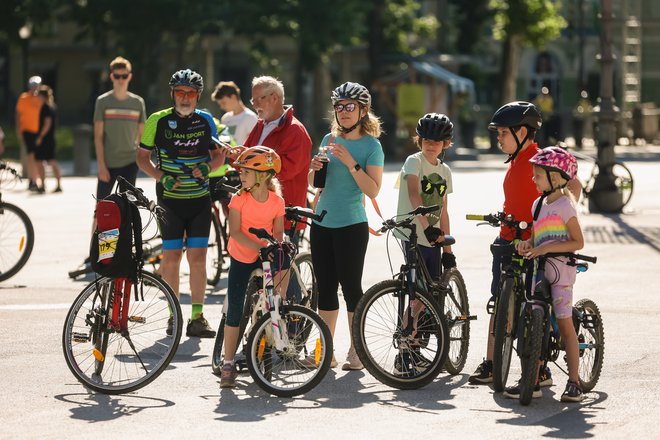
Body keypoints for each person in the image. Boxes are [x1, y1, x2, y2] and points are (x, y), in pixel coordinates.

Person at [468, 101, 581, 387]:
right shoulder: (517, 160)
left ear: (521, 131)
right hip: (509, 240)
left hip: (535, 245)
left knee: (533, 306)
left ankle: (538, 369)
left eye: (503, 133)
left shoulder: (541, 157)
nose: (499, 138)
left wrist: (555, 220)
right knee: (500, 302)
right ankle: (493, 363)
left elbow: (573, 186)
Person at [137, 69, 226, 338]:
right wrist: (160, 176)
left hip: (199, 201)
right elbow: (142, 158)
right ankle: (173, 314)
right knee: (172, 257)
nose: (184, 98)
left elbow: (219, 157)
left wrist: (207, 167)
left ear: (198, 96)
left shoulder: (206, 120)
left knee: (197, 258)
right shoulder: (158, 120)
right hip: (170, 203)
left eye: (190, 93)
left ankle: (197, 317)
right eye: (180, 92)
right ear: (172, 94)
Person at [307, 82, 385, 370]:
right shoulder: (329, 137)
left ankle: (357, 351)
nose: (344, 112)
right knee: (325, 288)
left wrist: (352, 163)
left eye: (350, 106)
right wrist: (313, 169)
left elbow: (373, 190)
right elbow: (315, 185)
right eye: (340, 107)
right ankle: (326, 351)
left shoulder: (371, 146)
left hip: (351, 224)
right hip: (322, 222)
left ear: (363, 111)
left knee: (351, 287)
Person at [504, 146, 585, 402]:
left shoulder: (565, 206)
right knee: (532, 320)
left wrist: (548, 248)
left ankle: (575, 382)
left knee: (564, 324)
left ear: (555, 177)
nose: (533, 179)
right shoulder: (537, 204)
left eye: (538, 174)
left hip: (561, 271)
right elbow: (536, 237)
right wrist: (528, 244)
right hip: (540, 271)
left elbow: (577, 242)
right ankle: (533, 378)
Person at [219, 146, 289, 388]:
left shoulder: (277, 201)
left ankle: (279, 303)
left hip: (264, 253)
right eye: (241, 172)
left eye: (246, 172)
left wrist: (279, 245)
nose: (241, 176)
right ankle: (228, 363)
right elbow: (235, 232)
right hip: (242, 254)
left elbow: (278, 233)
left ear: (262, 175)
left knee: (285, 261)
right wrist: (261, 246)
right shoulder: (239, 199)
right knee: (236, 308)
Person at [242, 76, 312, 238]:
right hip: (256, 209)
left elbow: (287, 171)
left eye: (258, 99)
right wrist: (236, 155)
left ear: (274, 98)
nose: (255, 105)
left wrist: (253, 167)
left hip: (283, 214)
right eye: (253, 101)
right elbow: (246, 159)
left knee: (279, 263)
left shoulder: (295, 130)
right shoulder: (261, 124)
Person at [395, 113, 456, 280]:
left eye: (436, 142)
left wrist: (447, 250)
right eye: (427, 140)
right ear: (419, 140)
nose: (431, 145)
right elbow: (413, 194)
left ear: (446, 143)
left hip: (434, 238)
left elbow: (443, 211)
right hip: (413, 234)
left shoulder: (445, 171)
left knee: (433, 288)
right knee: (419, 290)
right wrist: (426, 228)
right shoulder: (414, 162)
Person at [93, 56, 146, 200]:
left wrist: (140, 159)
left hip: (130, 162)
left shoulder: (138, 103)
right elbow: (98, 136)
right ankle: (95, 224)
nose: (121, 79)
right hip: (108, 163)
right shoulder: (102, 102)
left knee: (128, 209)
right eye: (117, 76)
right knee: (101, 209)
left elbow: (142, 135)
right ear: (112, 77)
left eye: (124, 76)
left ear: (130, 77)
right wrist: (101, 166)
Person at [15, 75, 43, 190]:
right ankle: (33, 180)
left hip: (39, 132)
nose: (34, 88)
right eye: (32, 86)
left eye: (36, 86)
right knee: (31, 157)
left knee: (39, 158)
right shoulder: (23, 98)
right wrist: (18, 129)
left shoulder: (40, 99)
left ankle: (39, 180)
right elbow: (18, 114)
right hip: (27, 130)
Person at [34, 85, 62, 193]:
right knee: (51, 161)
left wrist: (40, 137)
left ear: (43, 96)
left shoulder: (46, 107)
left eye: (38, 95)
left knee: (40, 161)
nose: (36, 97)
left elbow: (47, 123)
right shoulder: (52, 106)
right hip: (50, 138)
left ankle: (42, 185)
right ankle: (58, 184)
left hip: (45, 139)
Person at [211, 81, 257, 145]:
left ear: (233, 97)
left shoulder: (250, 117)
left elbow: (254, 144)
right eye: (220, 104)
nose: (221, 107)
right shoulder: (225, 118)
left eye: (224, 103)